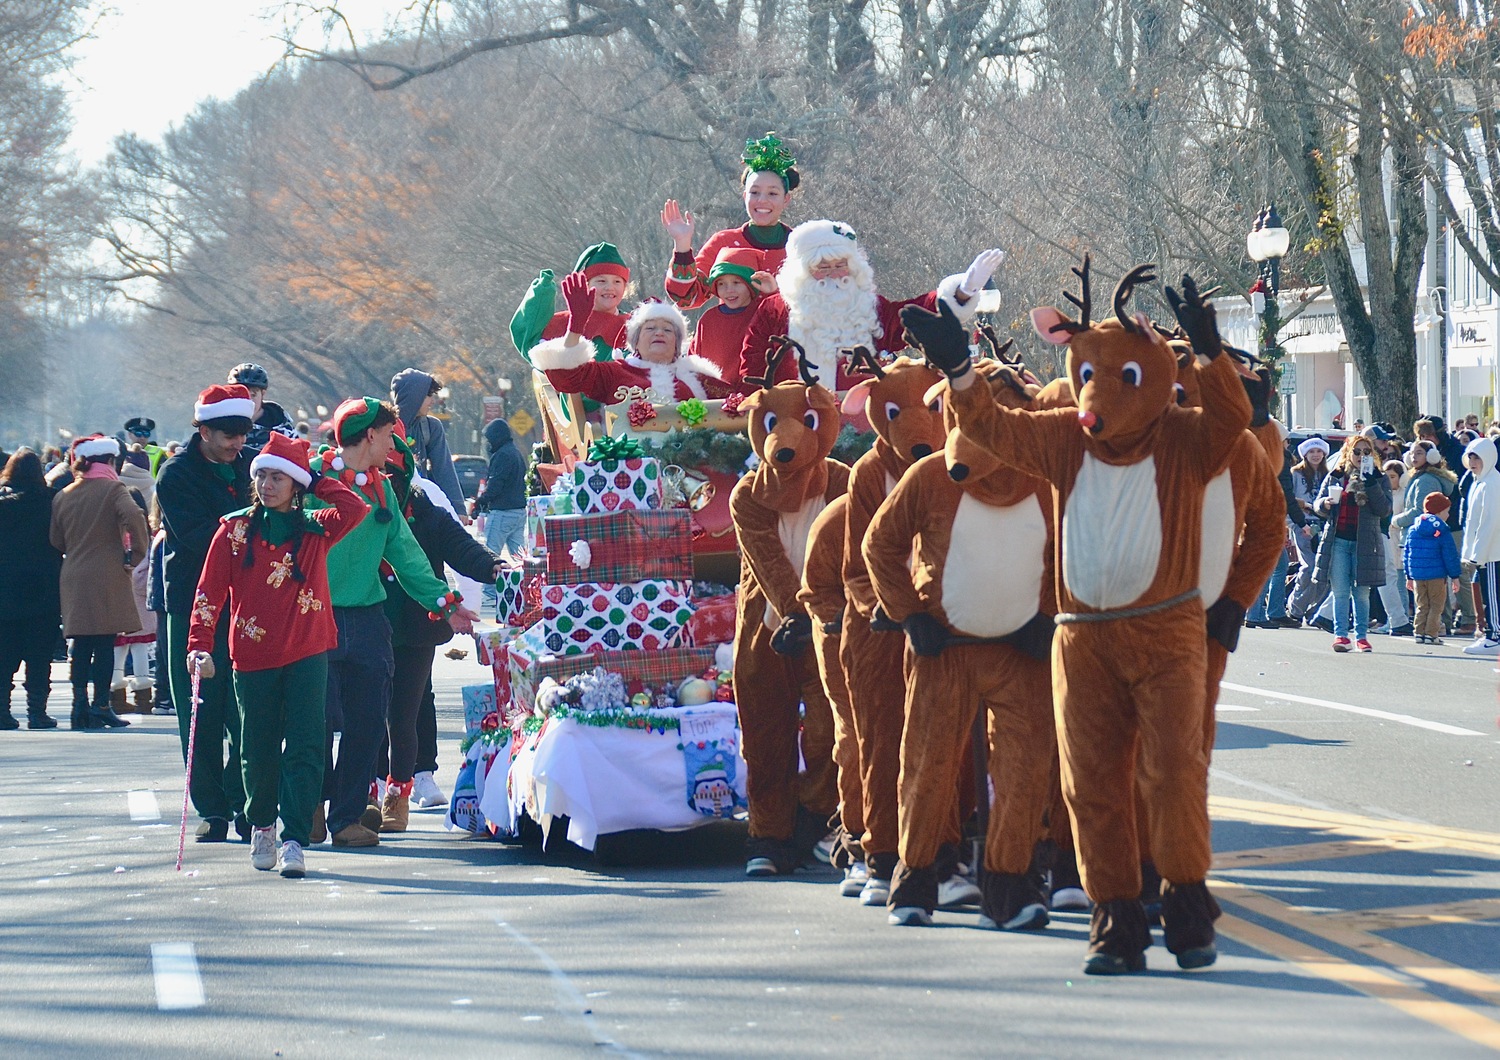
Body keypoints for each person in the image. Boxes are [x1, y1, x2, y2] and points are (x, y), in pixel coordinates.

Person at [187, 433, 367, 878]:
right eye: (262, 475)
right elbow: (208, 592)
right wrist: (198, 646)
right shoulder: (234, 530)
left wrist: (319, 475)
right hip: (251, 653)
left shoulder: (317, 526)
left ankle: (293, 839)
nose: (268, 484)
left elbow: (355, 509)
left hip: (308, 649)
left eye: (279, 477)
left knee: (306, 745)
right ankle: (262, 826)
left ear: (297, 485)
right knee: (257, 747)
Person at [309, 398, 475, 849]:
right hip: (314, 616)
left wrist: (446, 603)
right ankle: (312, 809)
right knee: (315, 721)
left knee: (366, 724)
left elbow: (408, 558)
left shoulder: (383, 491)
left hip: (367, 618)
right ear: (368, 437)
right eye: (387, 436)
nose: (393, 445)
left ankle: (346, 820)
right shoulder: (311, 480)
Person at [379, 434, 501, 831]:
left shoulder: (423, 508)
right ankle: (366, 790)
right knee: (365, 710)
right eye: (378, 473)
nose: (385, 481)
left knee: (405, 712)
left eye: (392, 475)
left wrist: (493, 567)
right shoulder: (351, 502)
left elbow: (459, 545)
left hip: (416, 624)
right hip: (363, 621)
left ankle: (400, 790)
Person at [156, 384, 257, 841]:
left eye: (242, 434)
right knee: (198, 708)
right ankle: (211, 808)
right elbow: (200, 537)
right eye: (226, 436)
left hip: (248, 603)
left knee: (246, 707)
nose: (236, 444)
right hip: (194, 603)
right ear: (202, 429)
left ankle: (243, 802)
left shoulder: (253, 466)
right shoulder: (176, 474)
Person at [738, 219, 1002, 391]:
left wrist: (963, 291)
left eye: (840, 265)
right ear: (804, 272)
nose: (833, 274)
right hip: (793, 428)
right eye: (823, 267)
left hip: (858, 424)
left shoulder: (867, 306)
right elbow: (752, 363)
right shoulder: (775, 310)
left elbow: (910, 316)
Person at [49, 435, 151, 729]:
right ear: (109, 461)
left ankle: (78, 706)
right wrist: (136, 553)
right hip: (108, 573)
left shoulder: (64, 494)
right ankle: (101, 705)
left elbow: (56, 539)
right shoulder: (113, 489)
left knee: (80, 643)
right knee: (105, 642)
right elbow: (134, 514)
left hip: (74, 574)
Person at [662, 132, 799, 310]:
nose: (762, 200)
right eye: (754, 192)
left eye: (772, 193)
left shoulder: (801, 245)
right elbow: (687, 298)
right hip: (733, 336)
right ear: (744, 196)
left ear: (786, 199)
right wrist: (682, 246)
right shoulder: (724, 242)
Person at [531, 284, 726, 403]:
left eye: (667, 330)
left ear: (677, 343)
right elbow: (567, 378)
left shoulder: (699, 377)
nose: (659, 332)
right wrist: (576, 327)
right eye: (650, 328)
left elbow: (735, 403)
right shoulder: (615, 372)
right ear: (635, 342)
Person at [1310, 434, 1392, 652]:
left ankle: (1362, 636)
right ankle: (1341, 636)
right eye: (1357, 452)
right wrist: (1325, 504)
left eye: (1366, 452)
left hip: (1364, 542)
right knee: (1340, 591)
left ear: (1372, 455)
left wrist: (1371, 482)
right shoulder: (1336, 476)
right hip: (1338, 540)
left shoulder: (1379, 478)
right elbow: (1317, 504)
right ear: (1348, 453)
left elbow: (1384, 510)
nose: (1361, 456)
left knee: (1361, 592)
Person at [0, 450, 62, 730]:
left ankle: (2, 711)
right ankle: (37, 712)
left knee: (4, 655)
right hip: (43, 588)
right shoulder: (49, 502)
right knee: (40, 655)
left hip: (5, 589)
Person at [511, 242, 632, 364]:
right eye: (601, 281)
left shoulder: (634, 325)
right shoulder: (563, 323)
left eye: (617, 281)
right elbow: (530, 343)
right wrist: (542, 294)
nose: (609, 287)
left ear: (625, 287)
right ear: (586, 285)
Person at [681, 247, 769, 392]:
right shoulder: (709, 320)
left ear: (750, 284)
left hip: (752, 395)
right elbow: (694, 359)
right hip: (712, 399)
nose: (729, 290)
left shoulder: (762, 315)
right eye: (722, 284)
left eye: (736, 283)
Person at [391, 368, 467, 513]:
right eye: (428, 395)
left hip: (420, 505)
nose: (433, 401)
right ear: (414, 396)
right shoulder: (385, 427)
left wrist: (458, 507)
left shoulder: (431, 427)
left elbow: (444, 469)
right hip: (391, 505)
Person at [476, 417, 527, 604]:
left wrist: (482, 500)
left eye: (489, 439)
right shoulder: (515, 453)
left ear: (496, 437)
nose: (488, 443)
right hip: (519, 511)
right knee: (520, 555)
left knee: (489, 553)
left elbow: (496, 483)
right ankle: (527, 586)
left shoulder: (502, 455)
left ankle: (490, 591)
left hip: (503, 512)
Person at [1459, 436, 1500, 655]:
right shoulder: (1479, 482)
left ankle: (1495, 636)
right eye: (1470, 457)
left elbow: (1490, 521)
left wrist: (1477, 552)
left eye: (1477, 457)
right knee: (1487, 591)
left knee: (1492, 594)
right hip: (1485, 550)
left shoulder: (1492, 483)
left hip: (1493, 551)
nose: (1473, 462)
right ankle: (1492, 633)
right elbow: (1472, 521)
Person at [1405, 493, 1462, 645]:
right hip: (1437, 575)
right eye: (1446, 511)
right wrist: (1455, 575)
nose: (1448, 514)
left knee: (1422, 604)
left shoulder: (1413, 529)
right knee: (1436, 605)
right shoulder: (1443, 531)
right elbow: (1450, 554)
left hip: (1417, 575)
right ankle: (1431, 633)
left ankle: (1419, 632)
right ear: (1439, 512)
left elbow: (1407, 553)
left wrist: (1408, 575)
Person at [1286, 436, 1330, 622]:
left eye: (1319, 451)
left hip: (1323, 524)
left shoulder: (1328, 474)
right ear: (1304, 454)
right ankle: (1295, 606)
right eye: (1311, 451)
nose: (1315, 455)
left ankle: (1314, 608)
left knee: (1324, 569)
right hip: (1301, 523)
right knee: (1310, 565)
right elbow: (1288, 498)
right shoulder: (1295, 473)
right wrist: (1293, 521)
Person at [228, 363, 297, 452]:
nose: (248, 400)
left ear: (263, 394)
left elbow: (295, 453)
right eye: (240, 395)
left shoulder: (279, 421)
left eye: (253, 395)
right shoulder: (222, 420)